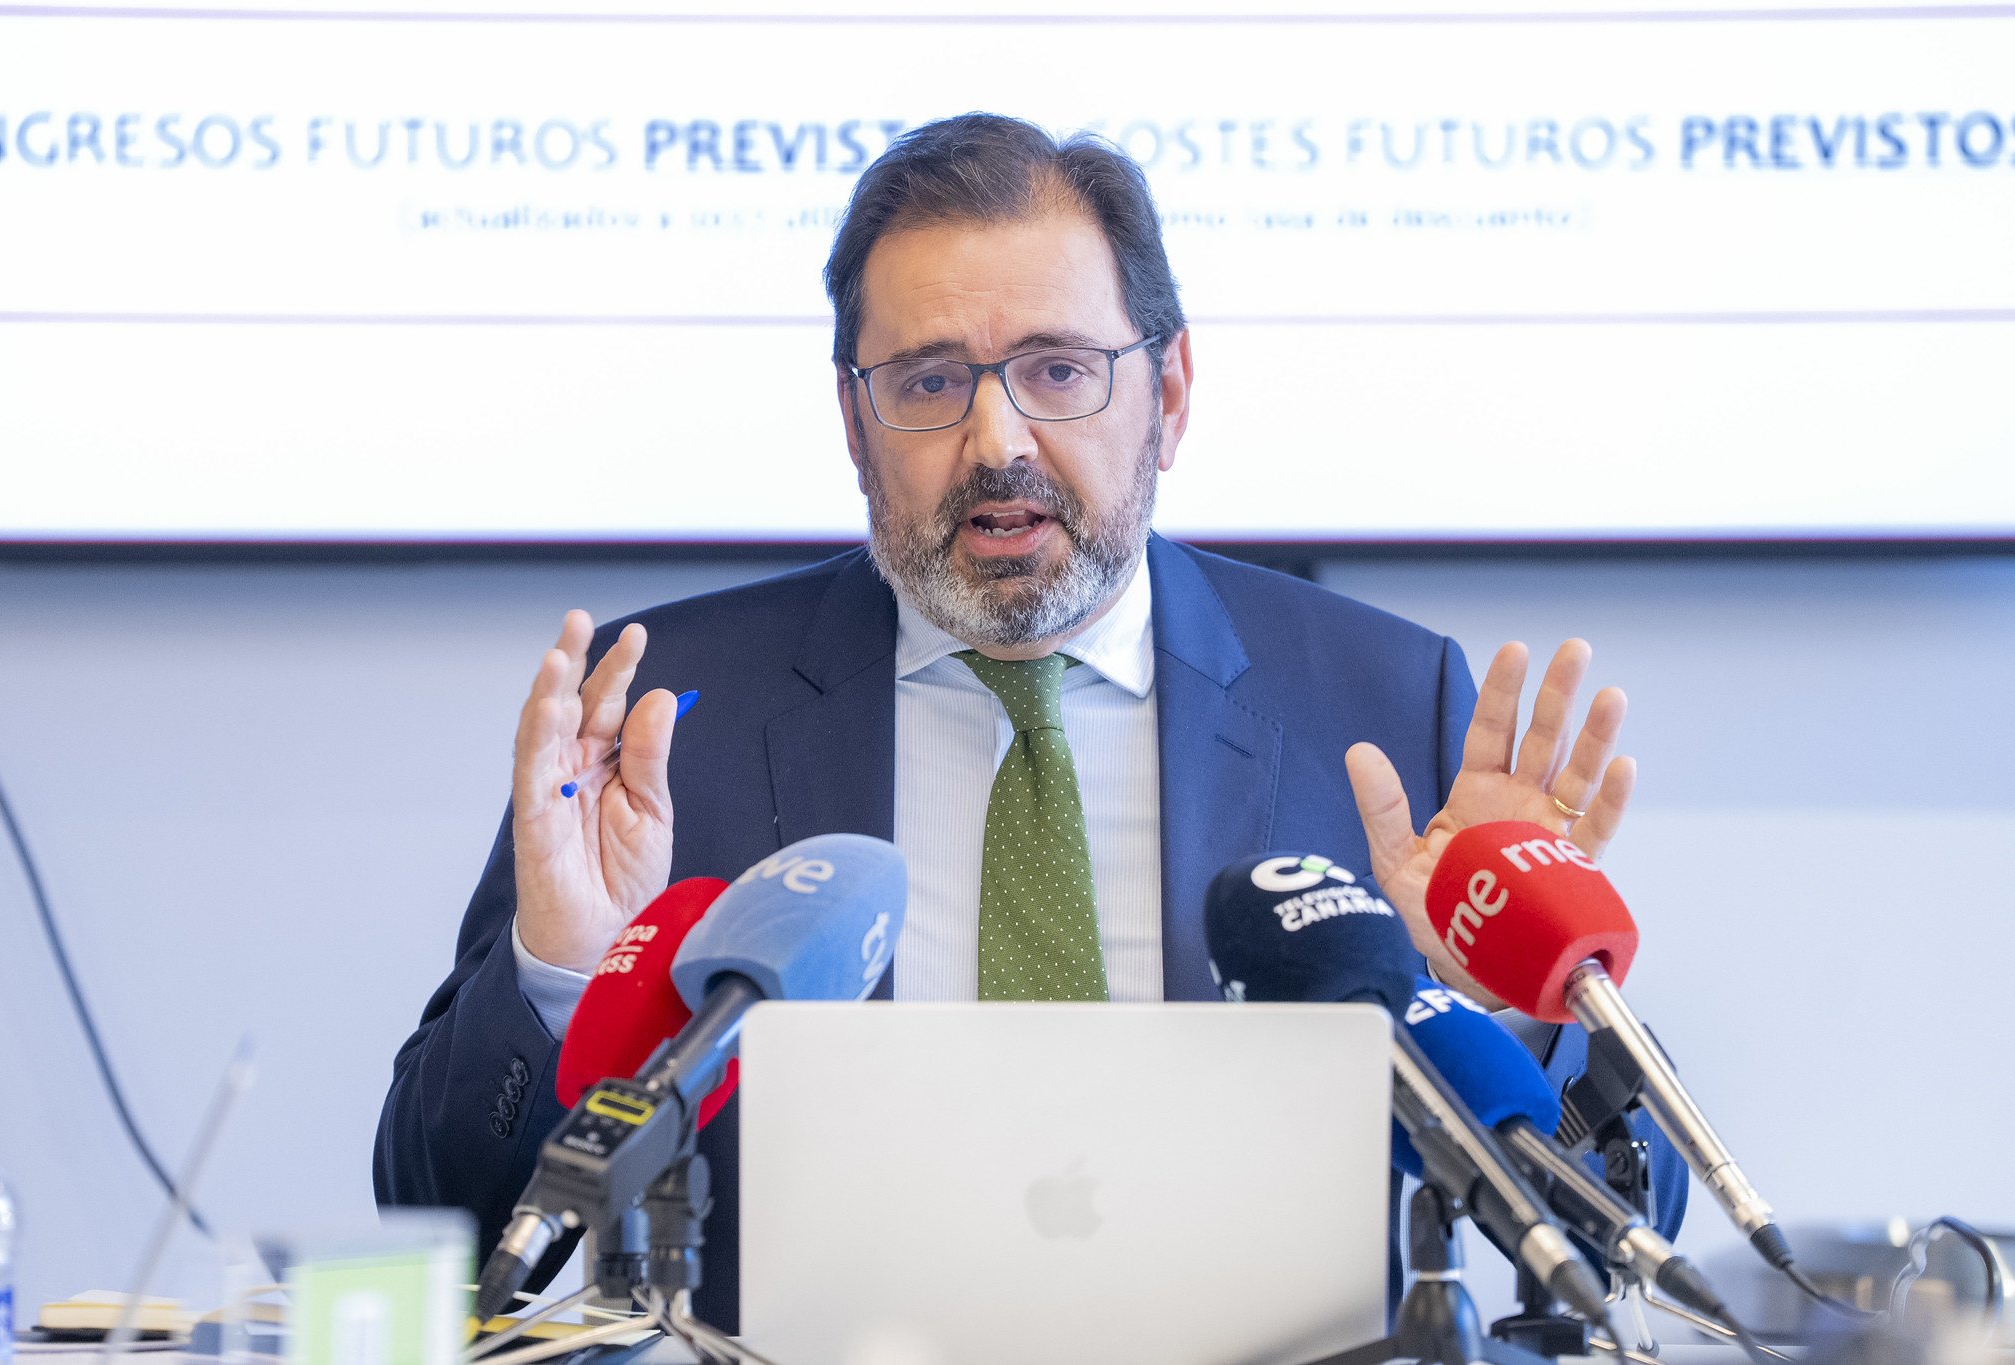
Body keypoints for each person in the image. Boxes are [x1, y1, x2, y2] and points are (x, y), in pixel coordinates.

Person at [374, 112, 1682, 1330]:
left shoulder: (1383, 703)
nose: (997, 440)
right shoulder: (674, 711)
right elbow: (442, 1209)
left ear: (1170, 393)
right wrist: (563, 976)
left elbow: (1624, 1235)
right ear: (855, 422)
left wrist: (1509, 1013)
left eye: (1059, 370)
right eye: (930, 381)